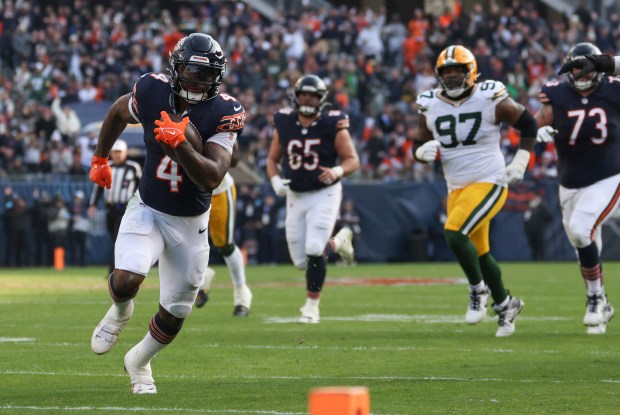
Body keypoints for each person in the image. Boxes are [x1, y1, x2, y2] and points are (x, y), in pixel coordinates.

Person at [89, 33, 243, 394]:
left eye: (205, 76)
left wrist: (181, 146)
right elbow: (116, 111)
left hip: (191, 222)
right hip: (149, 208)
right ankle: (121, 310)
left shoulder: (225, 111)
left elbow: (211, 176)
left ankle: (139, 361)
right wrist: (100, 157)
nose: (196, 81)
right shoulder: (151, 90)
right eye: (190, 72)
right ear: (176, 68)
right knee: (127, 279)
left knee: (176, 313)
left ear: (216, 78)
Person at [414, 45, 537, 337]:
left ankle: (477, 289)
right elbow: (417, 142)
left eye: (459, 71)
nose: (453, 76)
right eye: (448, 71)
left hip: (489, 181)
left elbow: (528, 122)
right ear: (439, 75)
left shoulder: (489, 97)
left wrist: (520, 161)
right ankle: (507, 303)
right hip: (455, 186)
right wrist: (420, 153)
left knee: (454, 233)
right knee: (480, 254)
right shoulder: (429, 103)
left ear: (472, 72)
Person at [536, 42, 619, 335]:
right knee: (583, 241)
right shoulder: (557, 94)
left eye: (586, 67)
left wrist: (606, 63)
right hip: (569, 183)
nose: (581, 75)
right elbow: (535, 123)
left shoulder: (614, 89)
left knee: (581, 229)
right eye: (575, 68)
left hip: (609, 176)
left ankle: (595, 299)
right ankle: (602, 303)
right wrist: (538, 131)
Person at [266, 74, 360, 324]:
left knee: (314, 249)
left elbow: (352, 159)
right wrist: (275, 180)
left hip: (324, 193)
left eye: (312, 95)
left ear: (321, 99)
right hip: (296, 195)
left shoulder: (332, 122)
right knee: (299, 261)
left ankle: (311, 306)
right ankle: (340, 242)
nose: (307, 99)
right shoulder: (284, 121)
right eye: (303, 94)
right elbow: (272, 160)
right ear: (296, 97)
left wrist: (337, 171)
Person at [195, 164, 253, 317]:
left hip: (217, 190)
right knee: (180, 242)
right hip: (186, 190)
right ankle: (202, 274)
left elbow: (233, 160)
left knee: (224, 244)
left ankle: (242, 294)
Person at [88, 139, 142, 274]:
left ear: (125, 153)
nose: (117, 155)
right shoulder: (106, 167)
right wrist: (92, 205)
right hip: (110, 209)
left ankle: (116, 270)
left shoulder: (133, 167)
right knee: (114, 238)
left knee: (119, 238)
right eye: (115, 152)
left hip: (125, 209)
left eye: (120, 152)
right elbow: (98, 188)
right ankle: (120, 268)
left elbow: (141, 188)